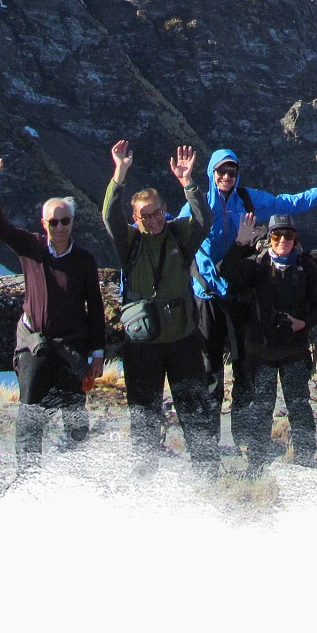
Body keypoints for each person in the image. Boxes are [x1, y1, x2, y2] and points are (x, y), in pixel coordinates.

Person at [182, 149, 317, 447]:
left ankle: (245, 441)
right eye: (221, 172)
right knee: (210, 374)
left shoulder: (246, 201)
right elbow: (172, 231)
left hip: (237, 296)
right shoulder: (197, 206)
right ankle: (207, 447)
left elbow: (283, 203)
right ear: (211, 173)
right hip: (206, 297)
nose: (226, 177)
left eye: (232, 172)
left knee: (244, 371)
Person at [0, 147, 106, 465]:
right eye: (53, 222)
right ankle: (27, 481)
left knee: (75, 419)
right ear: (43, 223)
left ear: (72, 222)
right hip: (35, 348)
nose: (59, 227)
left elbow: (96, 308)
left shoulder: (84, 260)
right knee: (30, 419)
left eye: (65, 221)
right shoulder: (31, 248)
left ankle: (78, 476)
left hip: (72, 349)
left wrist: (98, 354)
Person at [101, 139, 216, 472]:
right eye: (145, 216)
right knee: (145, 415)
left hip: (182, 340)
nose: (153, 220)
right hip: (142, 347)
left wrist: (188, 182)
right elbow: (109, 215)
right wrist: (119, 175)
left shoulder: (180, 234)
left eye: (156, 212)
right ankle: (145, 476)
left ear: (164, 208)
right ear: (136, 219)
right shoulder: (130, 243)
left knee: (194, 410)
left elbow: (203, 218)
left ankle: (207, 472)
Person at [219, 212, 317, 473]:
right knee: (261, 409)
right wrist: (240, 244)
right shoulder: (257, 265)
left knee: (299, 406)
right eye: (276, 235)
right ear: (269, 238)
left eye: (288, 235)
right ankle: (256, 464)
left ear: (295, 238)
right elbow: (227, 272)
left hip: (294, 349)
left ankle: (305, 460)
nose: (282, 240)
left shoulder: (306, 267)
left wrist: (303, 323)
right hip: (261, 353)